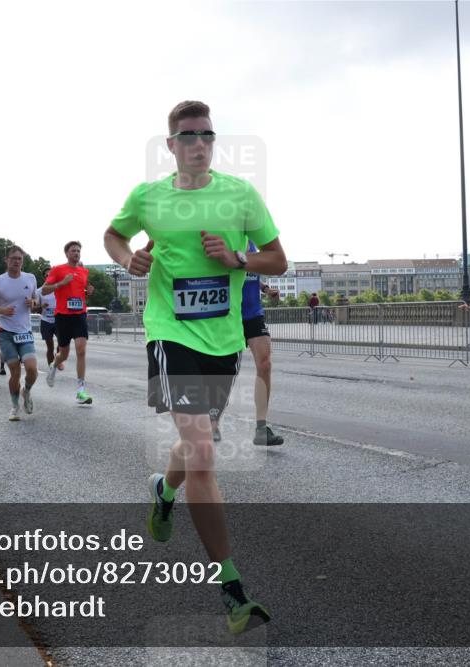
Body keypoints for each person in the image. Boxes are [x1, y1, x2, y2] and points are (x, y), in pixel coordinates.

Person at [103, 100, 287, 634]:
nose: (198, 144)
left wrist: (237, 260)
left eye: (206, 134)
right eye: (187, 137)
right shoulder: (148, 197)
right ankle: (233, 591)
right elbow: (113, 235)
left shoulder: (241, 194)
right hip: (169, 332)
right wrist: (125, 259)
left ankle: (163, 491)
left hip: (222, 340)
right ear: (171, 146)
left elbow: (277, 258)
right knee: (204, 450)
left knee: (195, 441)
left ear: (214, 141)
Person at [209, 240, 284, 447]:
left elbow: (251, 273)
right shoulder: (228, 237)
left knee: (265, 363)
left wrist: (266, 288)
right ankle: (212, 421)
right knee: (223, 370)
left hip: (252, 314)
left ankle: (261, 429)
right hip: (228, 314)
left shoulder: (253, 244)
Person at [0, 246, 39, 420]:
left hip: (25, 331)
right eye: (13, 258)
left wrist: (33, 302)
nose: (16, 261)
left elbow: (36, 299)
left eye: (19, 259)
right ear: (6, 260)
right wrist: (2, 310)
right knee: (15, 371)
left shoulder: (30, 278)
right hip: (6, 332)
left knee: (32, 369)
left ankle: (26, 392)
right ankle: (14, 406)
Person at [41, 241, 95, 404]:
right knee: (63, 353)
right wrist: (61, 284)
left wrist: (89, 291)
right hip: (63, 316)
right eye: (73, 250)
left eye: (78, 250)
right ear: (66, 253)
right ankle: (54, 365)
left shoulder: (83, 271)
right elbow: (44, 290)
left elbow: (82, 291)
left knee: (81, 350)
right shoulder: (58, 270)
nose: (76, 253)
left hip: (79, 314)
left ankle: (80, 390)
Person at [35, 284, 60, 369]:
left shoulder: (59, 288)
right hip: (46, 321)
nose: (48, 276)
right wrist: (41, 306)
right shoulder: (39, 291)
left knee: (62, 343)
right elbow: (34, 308)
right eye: (46, 275)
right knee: (50, 346)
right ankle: (51, 368)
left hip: (59, 320)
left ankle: (58, 357)